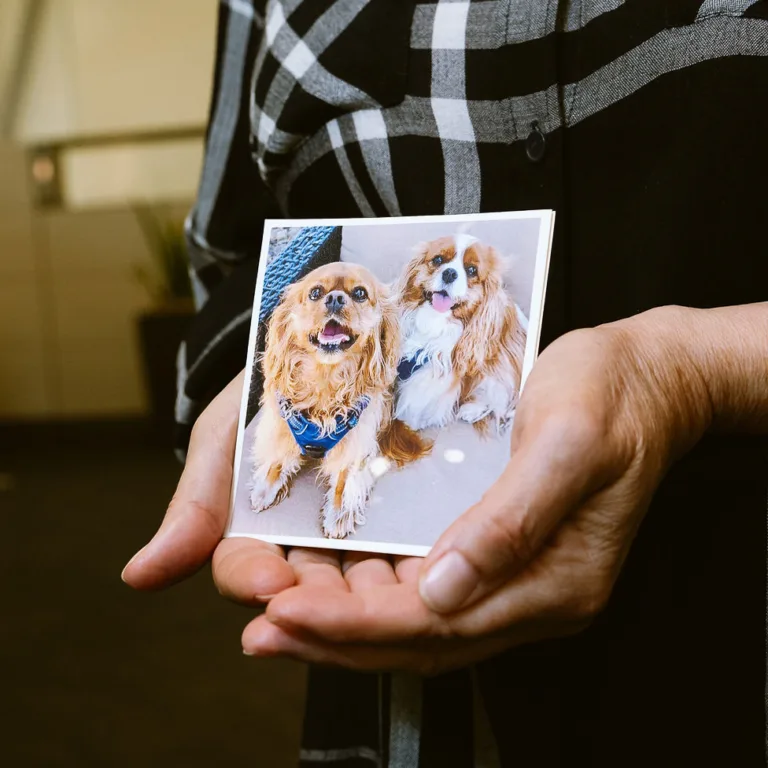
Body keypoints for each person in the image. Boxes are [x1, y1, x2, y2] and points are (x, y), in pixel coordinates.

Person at [122, 1, 768, 765]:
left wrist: (693, 369)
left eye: (466, 274)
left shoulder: (484, 331)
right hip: (400, 693)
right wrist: (279, 384)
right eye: (440, 267)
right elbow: (230, 268)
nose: (451, 278)